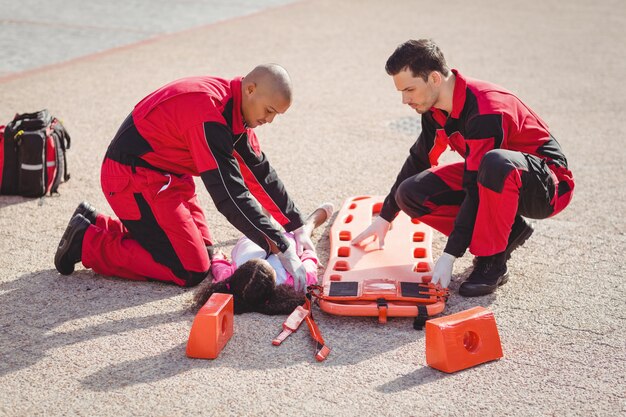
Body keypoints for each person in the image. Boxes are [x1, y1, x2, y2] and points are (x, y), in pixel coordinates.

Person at [55, 64, 314, 288]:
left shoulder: (235, 108)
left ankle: (95, 221)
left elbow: (258, 172)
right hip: (131, 178)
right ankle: (87, 240)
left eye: (275, 115)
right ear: (250, 90)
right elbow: (230, 195)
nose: (269, 120)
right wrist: (281, 246)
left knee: (205, 252)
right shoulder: (209, 115)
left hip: (167, 177)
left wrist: (296, 226)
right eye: (269, 111)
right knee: (190, 269)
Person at [352, 39, 574, 297]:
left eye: (409, 89)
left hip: (547, 186)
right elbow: (418, 160)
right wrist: (385, 217)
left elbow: (476, 186)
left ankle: (493, 260)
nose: (405, 100)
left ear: (434, 78)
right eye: (401, 92)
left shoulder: (486, 109)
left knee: (494, 163)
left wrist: (450, 253)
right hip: (493, 175)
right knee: (409, 194)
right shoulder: (433, 109)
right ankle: (510, 230)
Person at [191, 203, 334, 315]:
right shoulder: (294, 282)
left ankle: (264, 218)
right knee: (303, 236)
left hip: (253, 237)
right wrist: (307, 252)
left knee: (262, 226)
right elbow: (309, 263)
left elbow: (218, 266)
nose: (269, 254)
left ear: (238, 274)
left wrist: (218, 256)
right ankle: (310, 224)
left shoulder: (229, 279)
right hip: (286, 241)